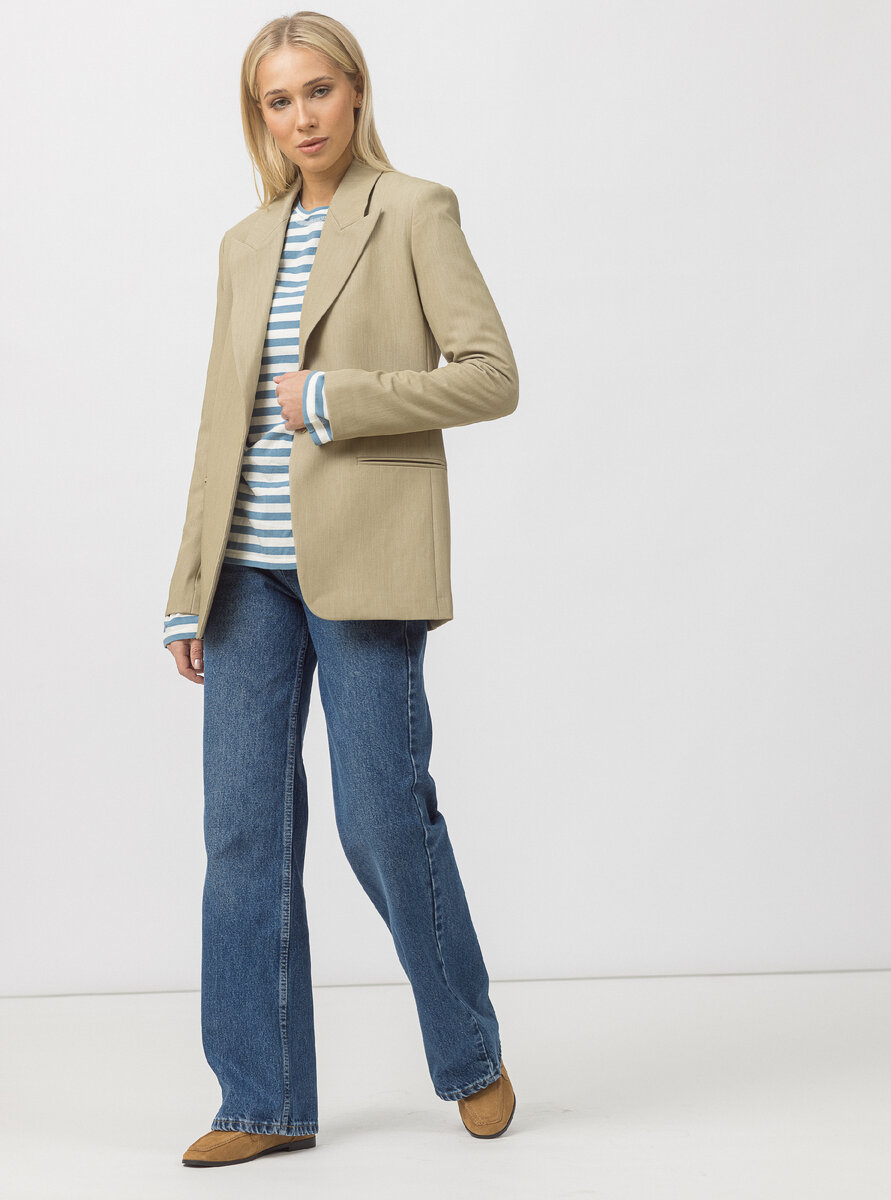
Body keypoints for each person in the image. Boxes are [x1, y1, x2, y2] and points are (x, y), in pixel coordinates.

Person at [163, 11, 518, 1168]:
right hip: (245, 578)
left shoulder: (414, 210)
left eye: (318, 91)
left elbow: (491, 377)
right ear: (259, 117)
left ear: (356, 93)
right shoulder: (243, 243)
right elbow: (219, 426)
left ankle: (469, 1052)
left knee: (382, 820)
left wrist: (334, 399)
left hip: (365, 561)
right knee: (241, 836)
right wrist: (187, 583)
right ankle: (259, 1101)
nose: (302, 116)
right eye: (279, 100)